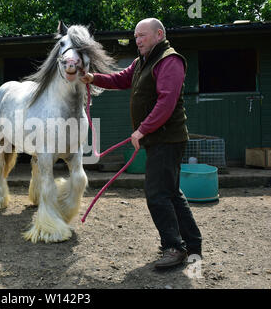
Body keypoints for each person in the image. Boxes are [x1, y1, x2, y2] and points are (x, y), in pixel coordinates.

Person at [81, 18, 202, 269]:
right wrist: (92, 78)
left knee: (157, 195)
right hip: (160, 139)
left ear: (159, 35)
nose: (137, 41)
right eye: (135, 36)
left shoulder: (170, 60)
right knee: (171, 193)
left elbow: (166, 102)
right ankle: (193, 244)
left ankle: (173, 247)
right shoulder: (141, 63)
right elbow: (119, 80)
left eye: (142, 36)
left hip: (167, 138)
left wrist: (142, 130)